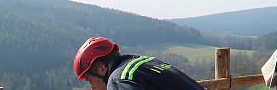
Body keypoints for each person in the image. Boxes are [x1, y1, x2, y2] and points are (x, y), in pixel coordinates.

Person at [73, 36, 205, 89]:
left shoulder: (118, 80)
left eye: (90, 80)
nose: (92, 88)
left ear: (102, 68)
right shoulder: (145, 62)